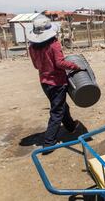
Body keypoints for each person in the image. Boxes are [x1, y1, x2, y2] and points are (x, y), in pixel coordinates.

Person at [28, 17, 82, 155]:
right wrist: (75, 66)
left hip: (44, 82)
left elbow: (35, 66)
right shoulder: (54, 44)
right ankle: (49, 143)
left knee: (61, 106)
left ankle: (70, 126)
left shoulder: (32, 47)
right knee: (57, 111)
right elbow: (60, 63)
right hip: (57, 83)